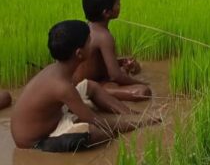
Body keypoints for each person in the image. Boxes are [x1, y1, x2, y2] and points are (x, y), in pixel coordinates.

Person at [11, 20, 160, 153]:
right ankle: (137, 119)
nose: (92, 44)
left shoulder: (56, 69)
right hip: (37, 141)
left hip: (53, 117)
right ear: (79, 53)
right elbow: (95, 120)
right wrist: (142, 122)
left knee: (90, 86)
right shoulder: (62, 87)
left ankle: (131, 113)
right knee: (102, 132)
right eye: (90, 41)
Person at [73, 0, 151, 102]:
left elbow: (97, 64)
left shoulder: (87, 28)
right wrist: (144, 83)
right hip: (88, 87)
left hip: (91, 82)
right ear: (107, 12)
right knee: (143, 91)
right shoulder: (104, 36)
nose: (120, 5)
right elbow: (115, 75)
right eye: (118, 3)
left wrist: (121, 62)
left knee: (127, 72)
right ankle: (97, 95)